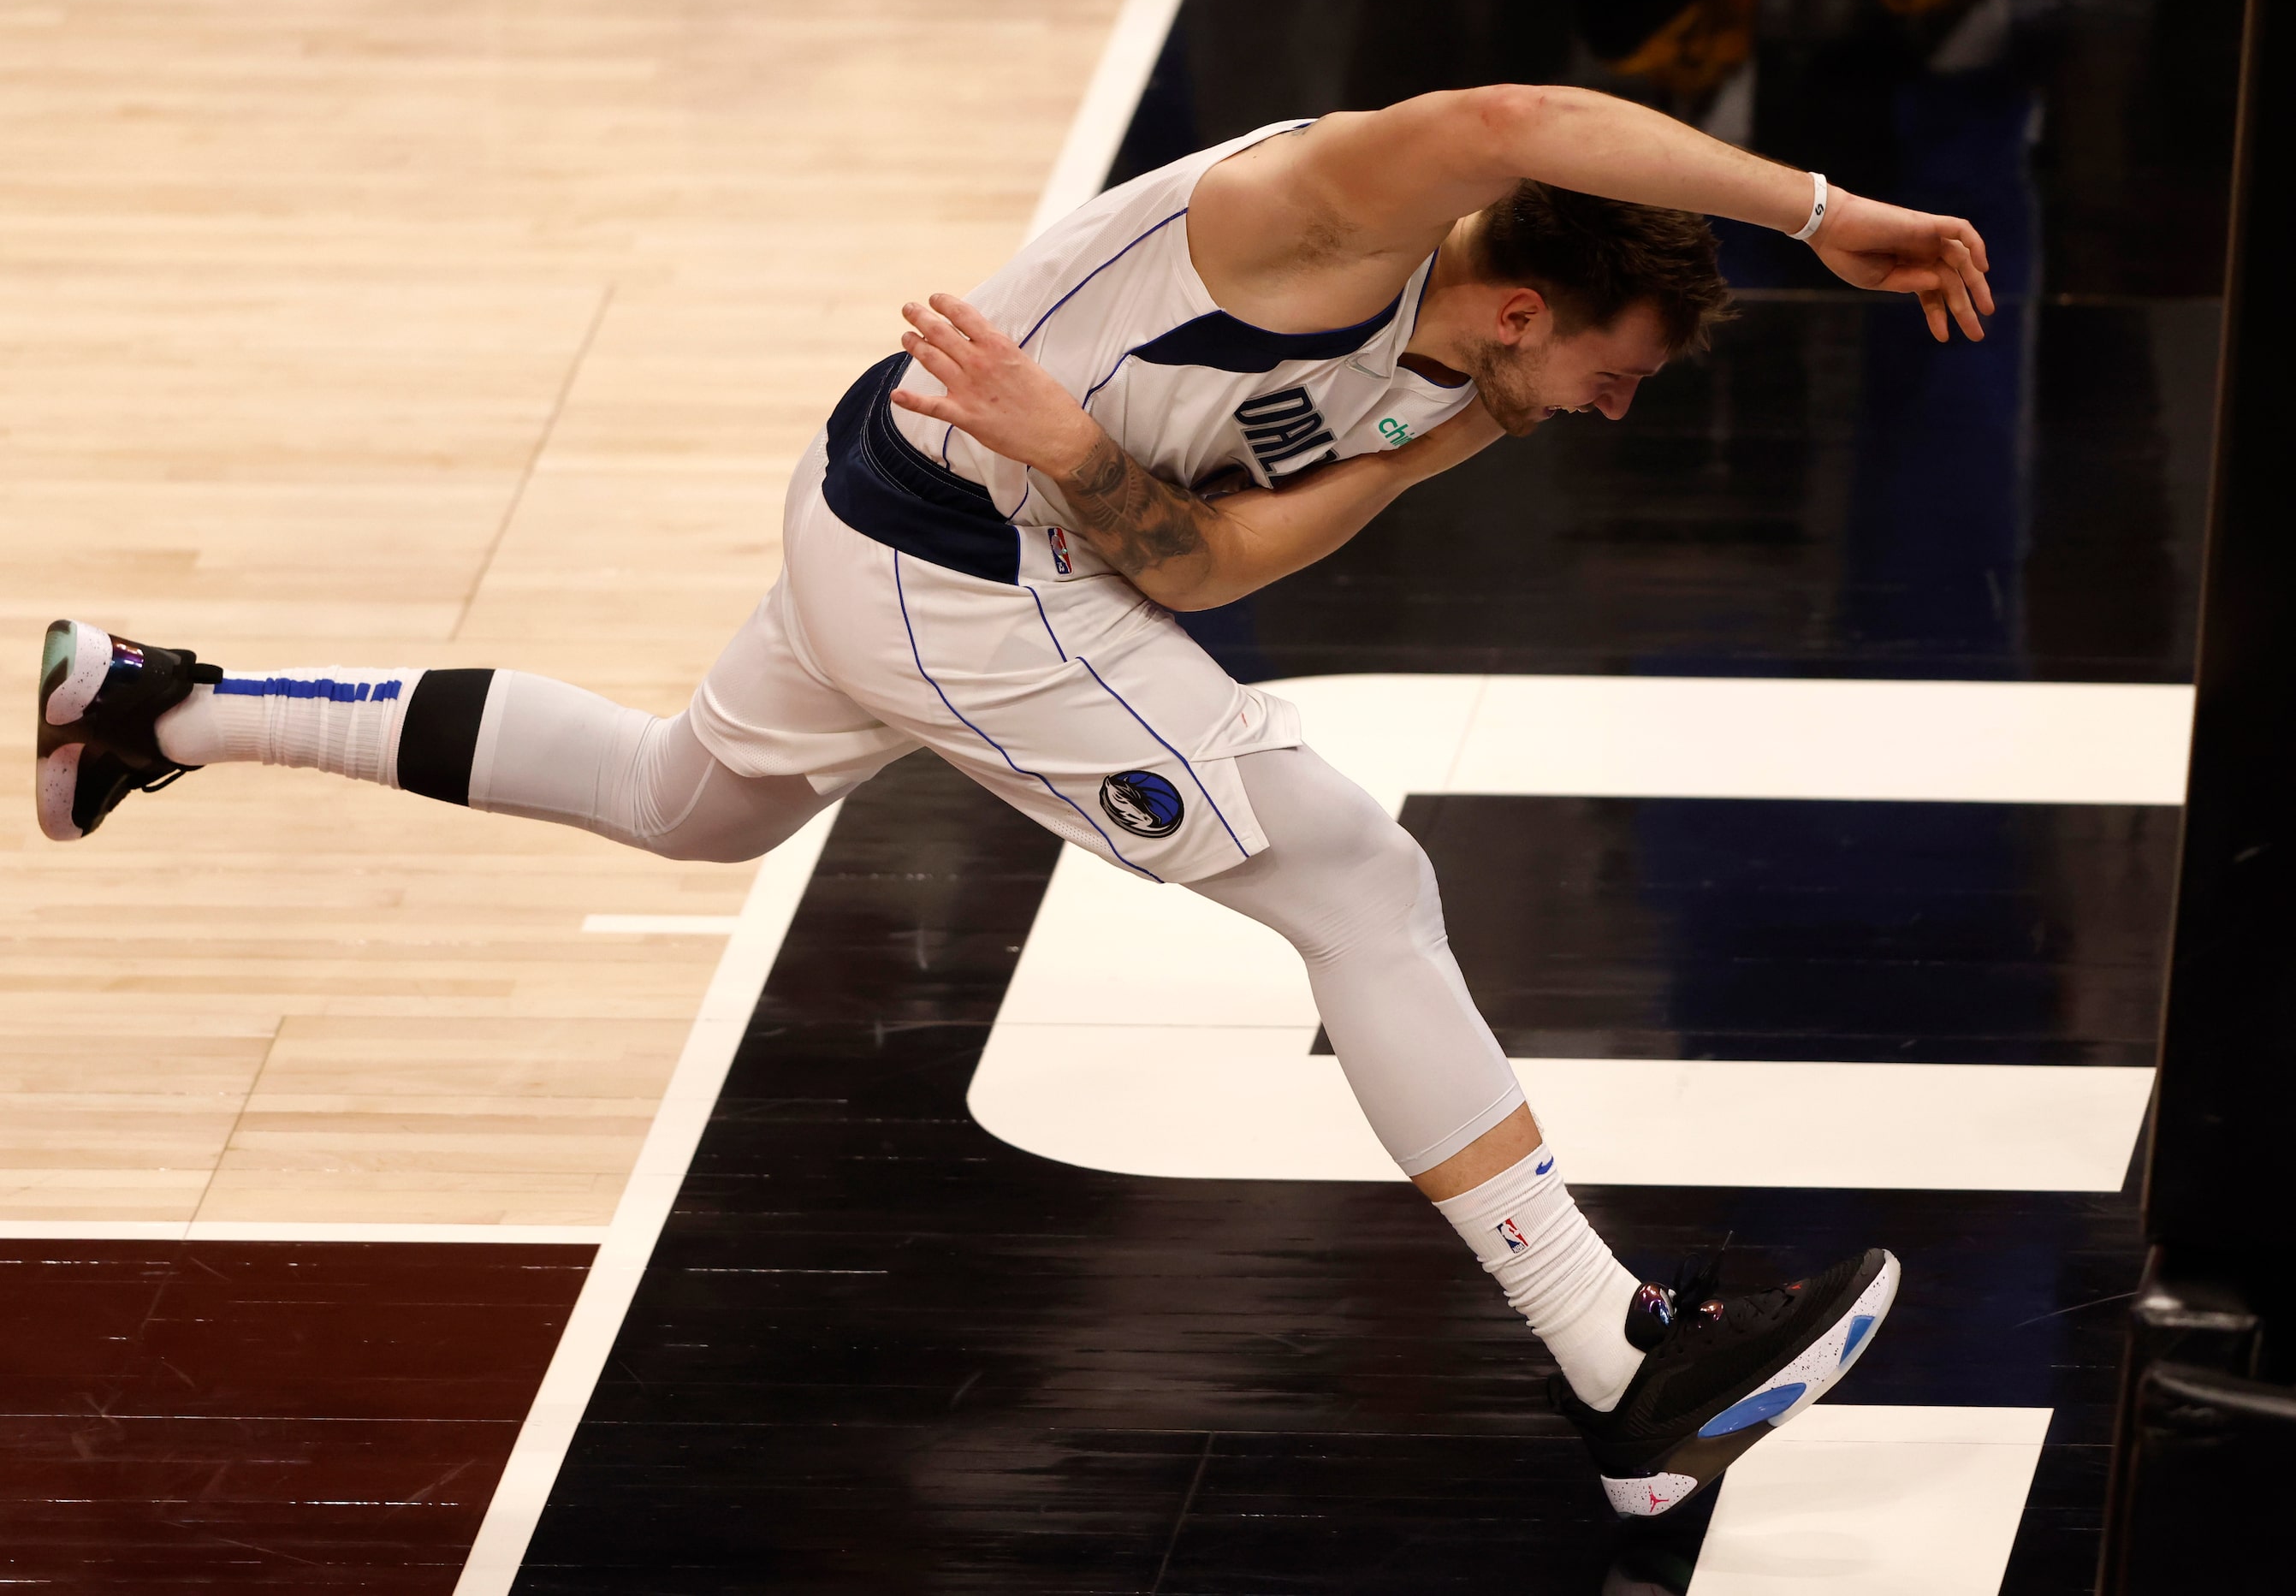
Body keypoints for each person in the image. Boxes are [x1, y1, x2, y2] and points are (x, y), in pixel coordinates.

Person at [37, 84, 1990, 1518]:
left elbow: (1201, 574)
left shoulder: (1457, 392)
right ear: (1514, 303)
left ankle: (160, 706)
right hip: (937, 573)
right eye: (1614, 372)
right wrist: (1819, 212)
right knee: (1360, 886)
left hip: (938, 540)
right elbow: (1518, 111)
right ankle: (1616, 1355)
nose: (1612, 410)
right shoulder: (1329, 214)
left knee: (680, 799)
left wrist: (1094, 457)